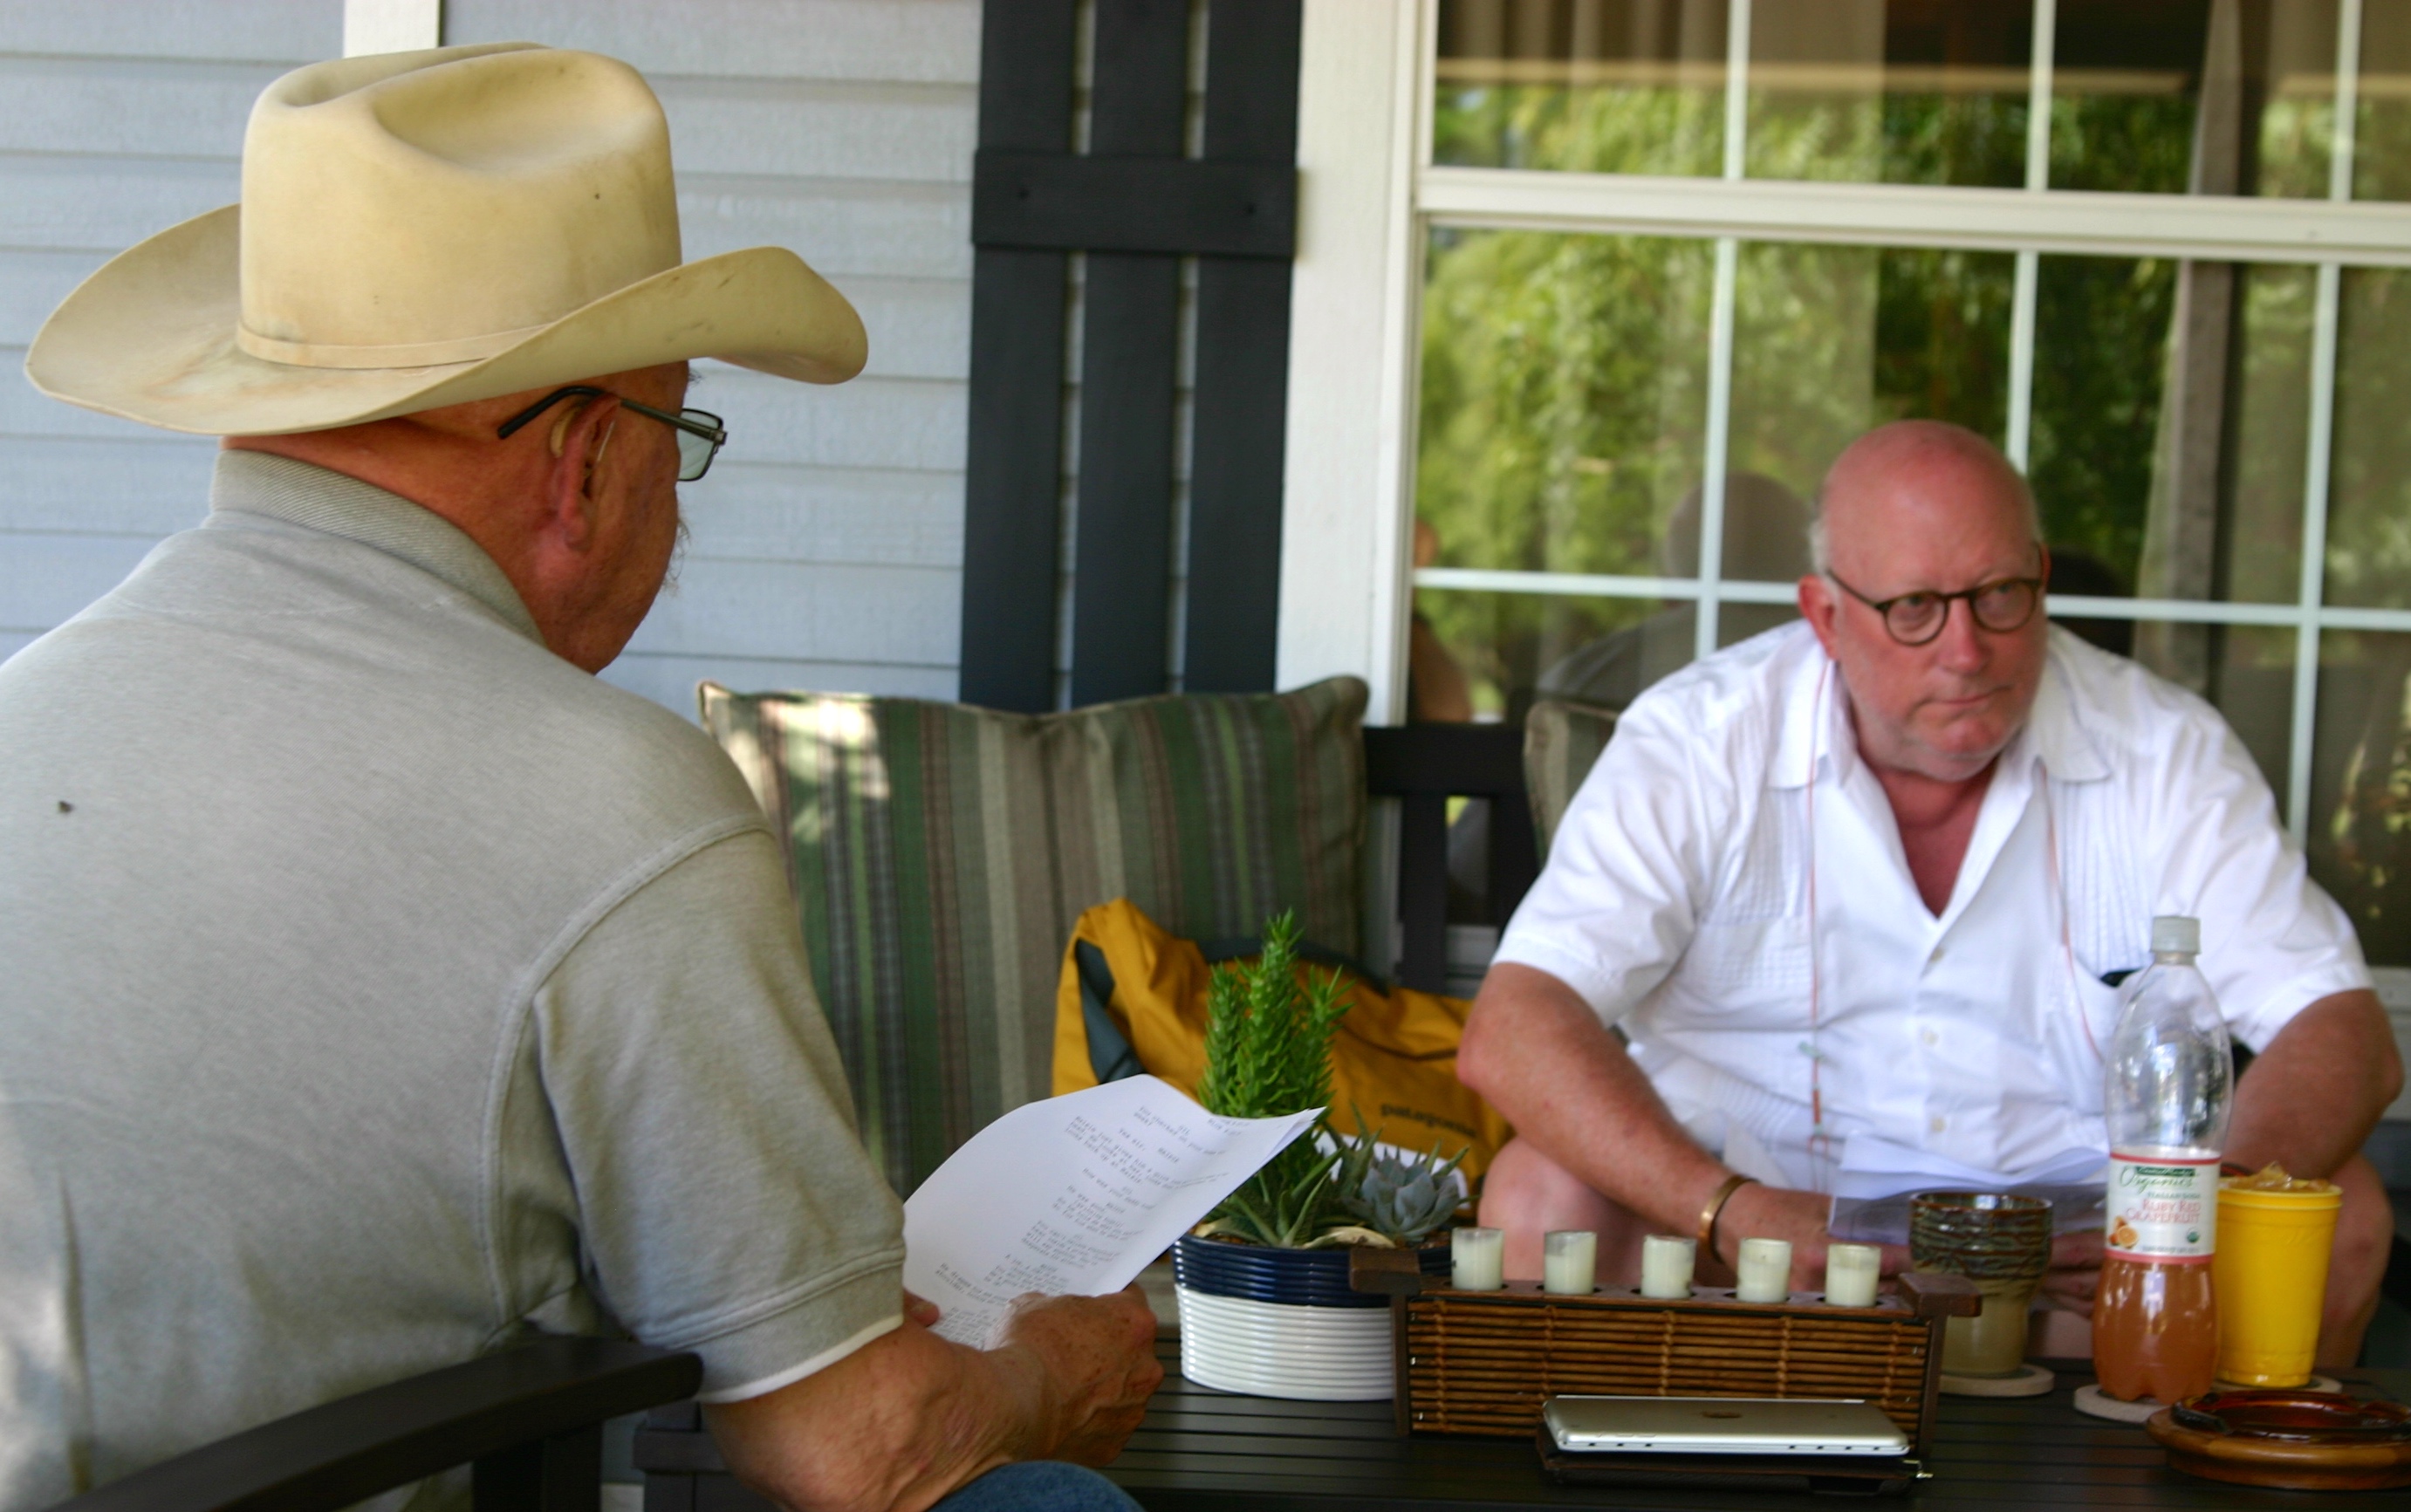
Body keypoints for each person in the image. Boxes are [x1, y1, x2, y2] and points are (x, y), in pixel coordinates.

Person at [0, 44, 1156, 1512]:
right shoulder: (615, 802)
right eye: (683, 431)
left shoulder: (21, 709)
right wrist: (1048, 1372)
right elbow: (863, 1449)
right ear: (588, 462)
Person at [1458, 421, 2402, 1367]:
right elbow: (1516, 1027)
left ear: (2040, 575)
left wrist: (2170, 1219)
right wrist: (1728, 1208)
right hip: (1756, 1228)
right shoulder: (1700, 738)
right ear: (1825, 614)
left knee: (2344, 1214)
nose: (1967, 651)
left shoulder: (2163, 746)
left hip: (2078, 1253)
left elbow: (2341, 1034)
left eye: (1999, 595)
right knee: (1543, 1197)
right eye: (1914, 607)